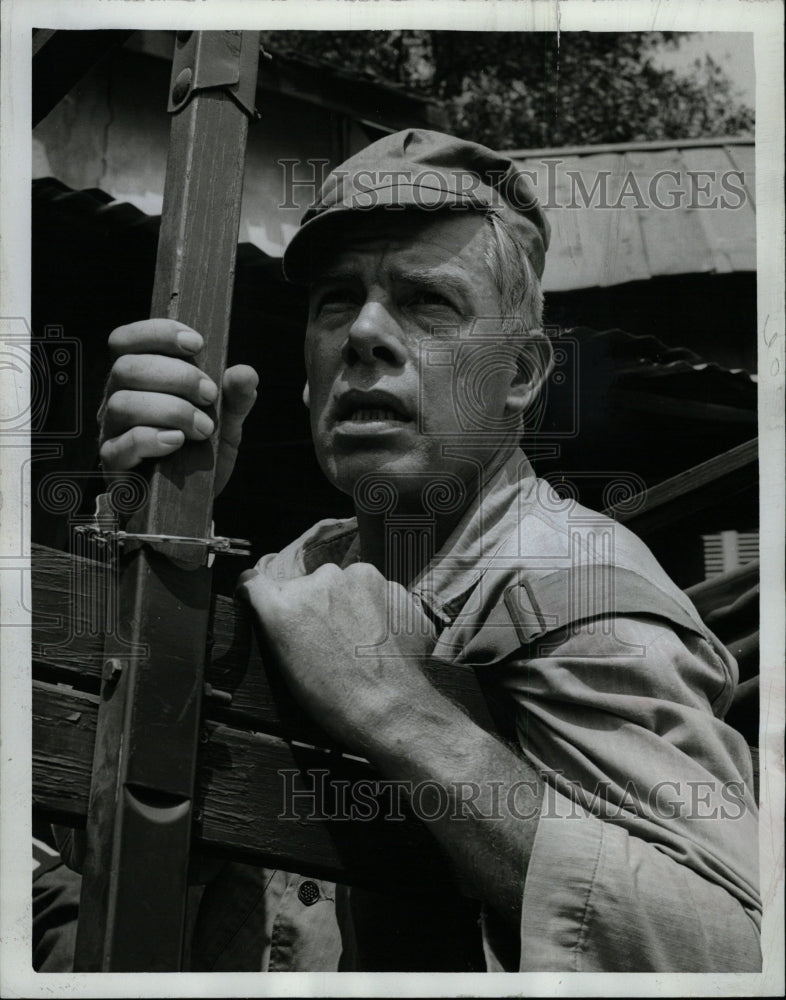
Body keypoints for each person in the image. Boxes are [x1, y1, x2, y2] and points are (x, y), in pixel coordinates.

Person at [88, 129, 760, 972]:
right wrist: (157, 530)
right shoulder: (301, 573)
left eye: (426, 302)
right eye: (337, 300)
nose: (365, 331)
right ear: (307, 369)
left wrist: (395, 709)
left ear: (518, 375)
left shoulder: (578, 588)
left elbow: (734, 952)